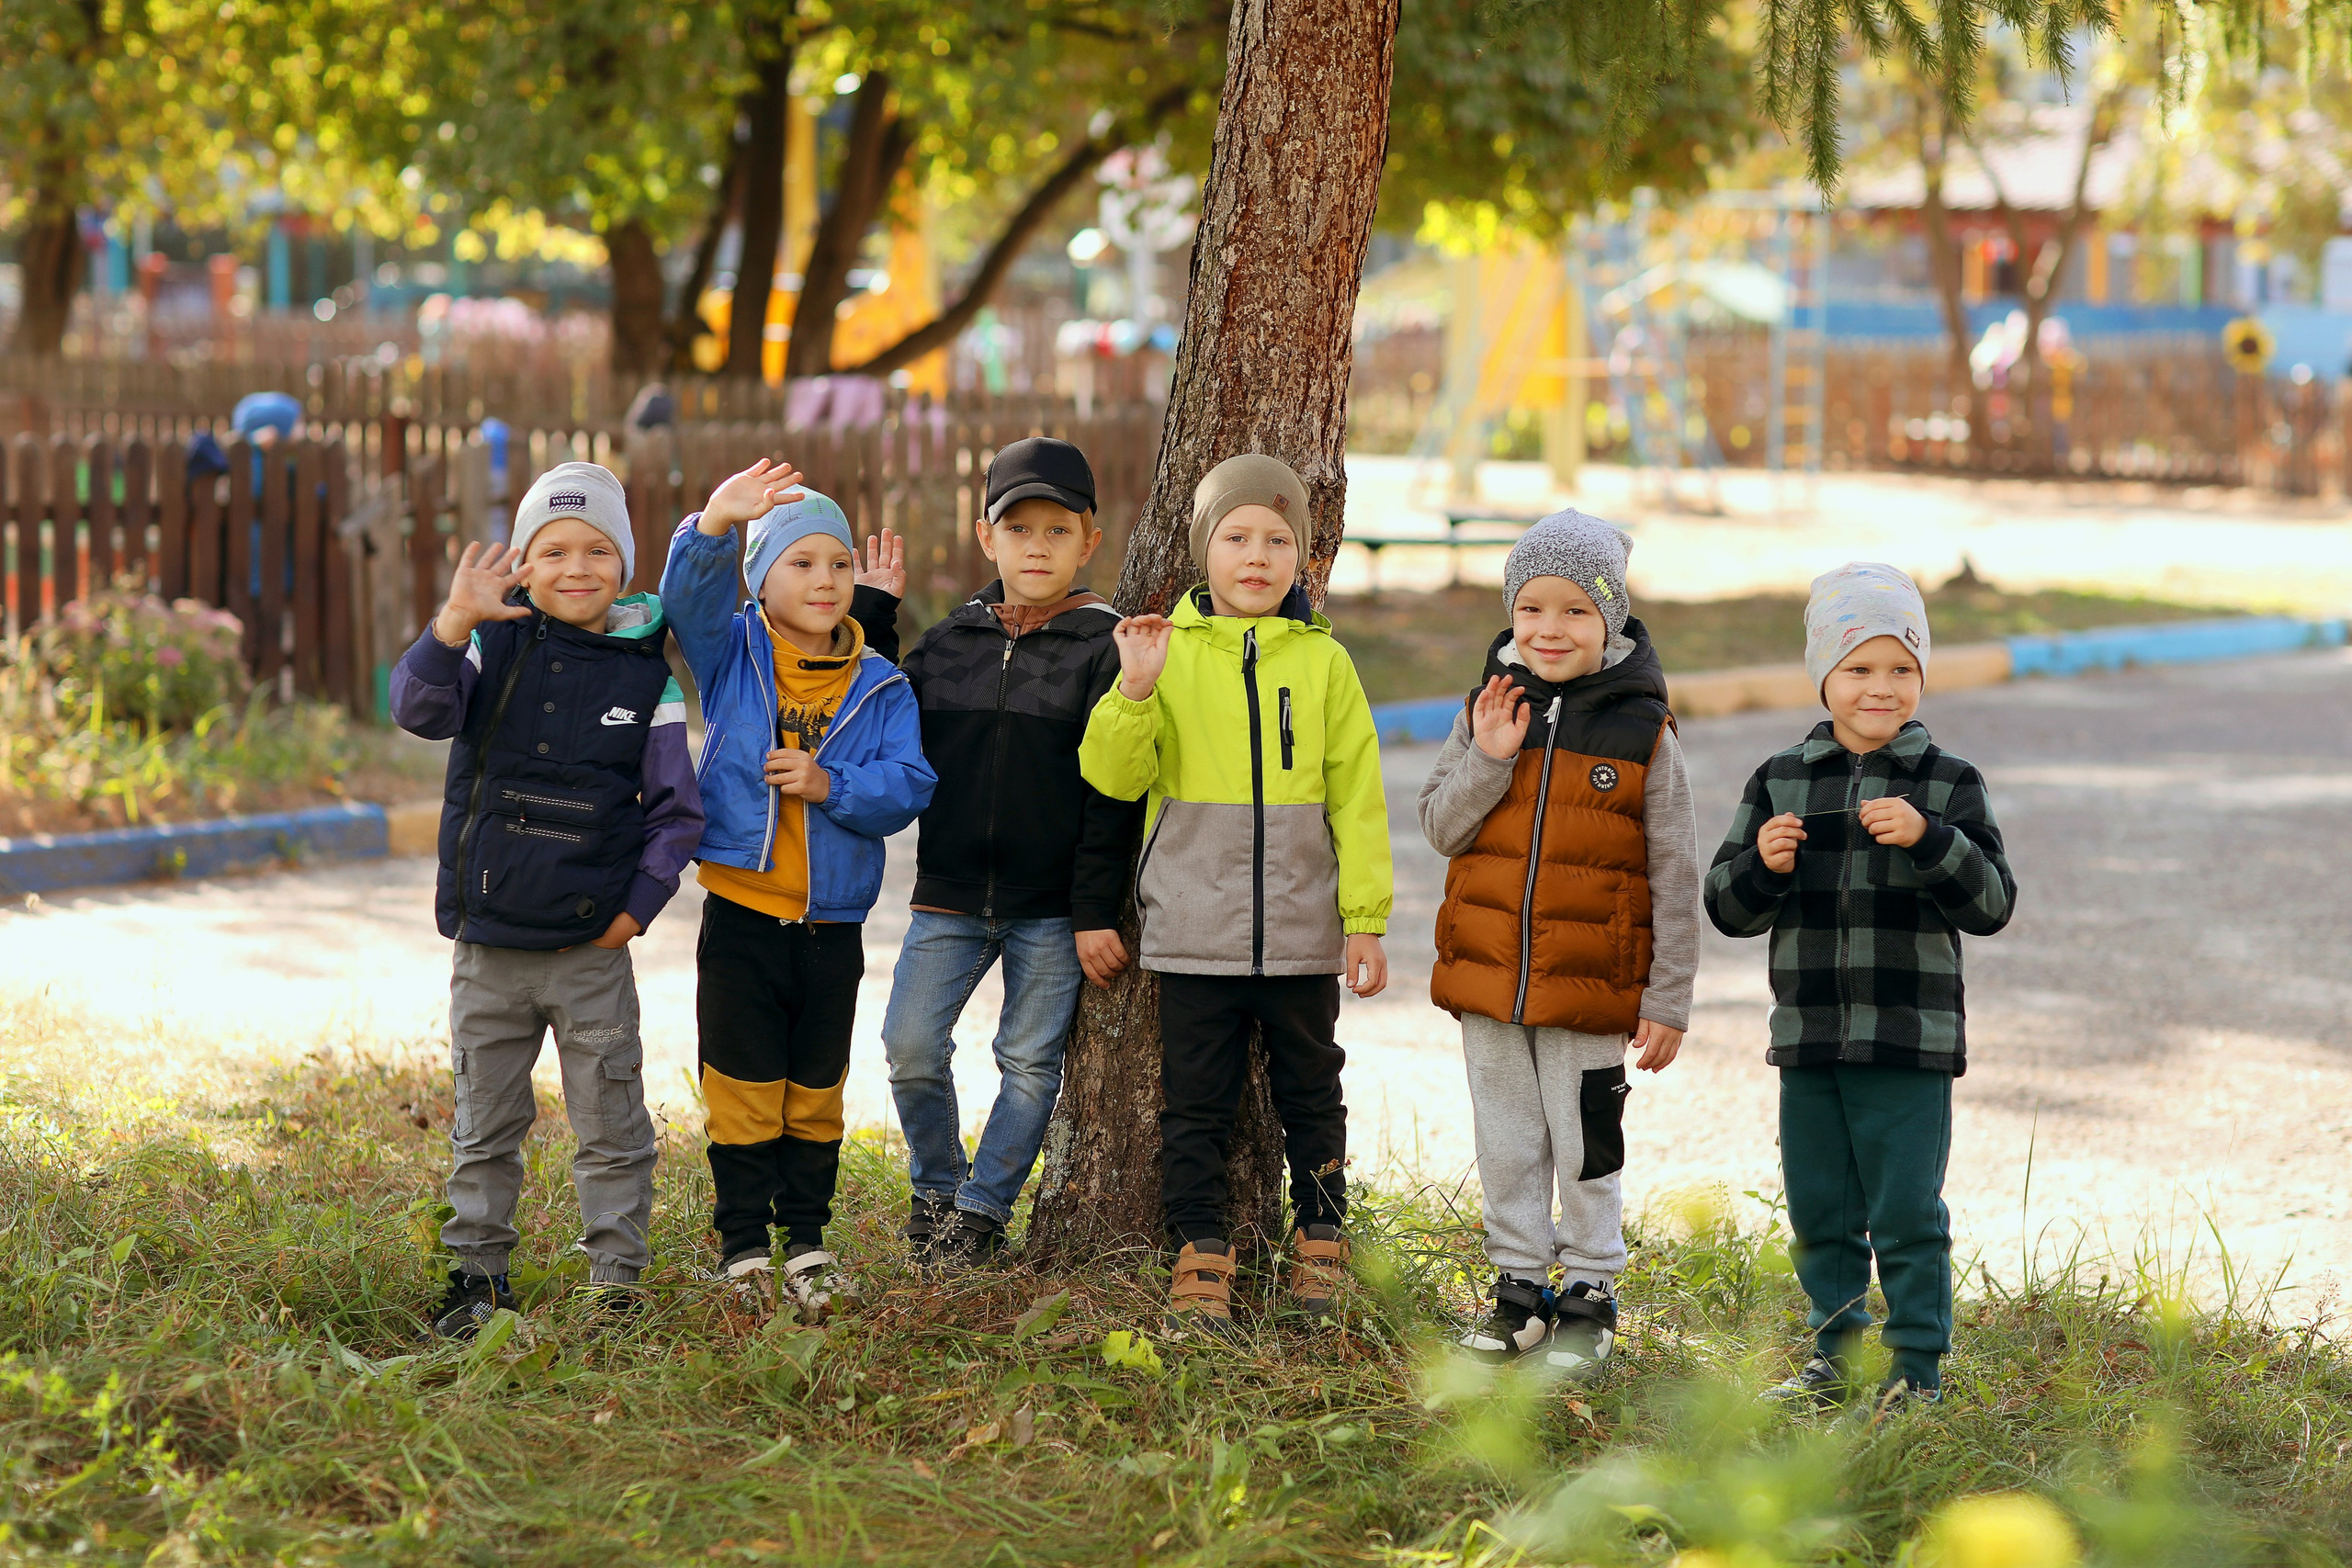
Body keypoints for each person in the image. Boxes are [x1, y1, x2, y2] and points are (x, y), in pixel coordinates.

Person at [389, 460, 703, 1339]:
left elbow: (677, 815)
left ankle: (616, 1282)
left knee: (611, 1120)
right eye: (553, 549)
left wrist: (634, 911)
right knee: (484, 1122)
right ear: (522, 563)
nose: (576, 566)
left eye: (598, 549)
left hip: (589, 952)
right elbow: (417, 709)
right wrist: (452, 623)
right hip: (489, 948)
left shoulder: (651, 680)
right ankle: (476, 1279)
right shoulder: (489, 648)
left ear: (626, 565)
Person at [1080, 454, 1392, 1331]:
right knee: (1197, 1104)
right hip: (1193, 928)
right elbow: (1109, 773)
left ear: (1304, 556)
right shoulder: (1163, 652)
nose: (1256, 555)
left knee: (1310, 1090)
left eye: (1278, 539)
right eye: (1236, 536)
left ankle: (1322, 1237)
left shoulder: (1327, 665)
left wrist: (1363, 922)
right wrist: (1135, 691)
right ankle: (1201, 1249)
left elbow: (1357, 801)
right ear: (1203, 548)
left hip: (1299, 930)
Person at [1703, 562, 2017, 1413]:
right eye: (1859, 668)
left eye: (1902, 668)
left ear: (1922, 673)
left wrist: (1929, 839)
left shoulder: (1947, 782)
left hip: (1909, 1042)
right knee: (1821, 1211)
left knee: (1909, 1211)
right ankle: (1830, 1360)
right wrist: (1761, 864)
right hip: (1808, 1039)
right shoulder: (1781, 777)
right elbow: (1725, 907)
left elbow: (1992, 902)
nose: (1881, 688)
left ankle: (1917, 1368)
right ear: (1824, 676)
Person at [1417, 510, 1700, 1377]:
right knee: (1505, 1141)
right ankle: (1515, 1292)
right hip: (1489, 981)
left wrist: (1668, 996)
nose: (1549, 629)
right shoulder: (1487, 709)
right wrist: (1490, 758)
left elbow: (1675, 872)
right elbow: (1438, 825)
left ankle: (1590, 1291)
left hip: (1589, 986)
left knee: (1585, 1144)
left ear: (1610, 618)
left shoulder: (1644, 731)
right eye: (1532, 608)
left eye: (1575, 611)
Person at [660, 459, 935, 1324]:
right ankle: (744, 1246)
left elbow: (911, 782)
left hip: (832, 927)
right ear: (760, 578)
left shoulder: (882, 682)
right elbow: (686, 599)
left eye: (839, 565)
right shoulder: (733, 650)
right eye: (801, 563)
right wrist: (713, 522)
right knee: (742, 1088)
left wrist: (830, 784)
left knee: (815, 1092)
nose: (824, 581)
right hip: (742, 914)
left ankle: (808, 1242)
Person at [874, 437, 1145, 1269]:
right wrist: (877, 615)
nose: (1036, 545)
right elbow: (880, 719)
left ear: (1089, 542)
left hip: (1052, 906)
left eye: (1057, 530)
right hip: (949, 894)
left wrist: (1095, 907)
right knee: (910, 1044)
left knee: (1028, 1063)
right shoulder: (949, 642)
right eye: (1017, 527)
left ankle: (980, 1217)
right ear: (986, 537)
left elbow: (1114, 797)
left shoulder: (1106, 650)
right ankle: (936, 1187)